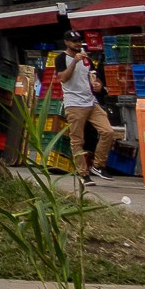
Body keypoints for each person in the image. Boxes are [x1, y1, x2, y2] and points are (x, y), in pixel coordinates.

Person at [57, 31, 113, 185]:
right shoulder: (62, 58)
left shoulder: (86, 58)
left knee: (108, 131)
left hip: (91, 101)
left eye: (79, 40)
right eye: (74, 41)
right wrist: (74, 62)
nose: (77, 43)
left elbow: (93, 75)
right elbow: (63, 78)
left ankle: (98, 165)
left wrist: (97, 85)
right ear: (66, 42)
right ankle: (83, 173)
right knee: (77, 140)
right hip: (74, 103)